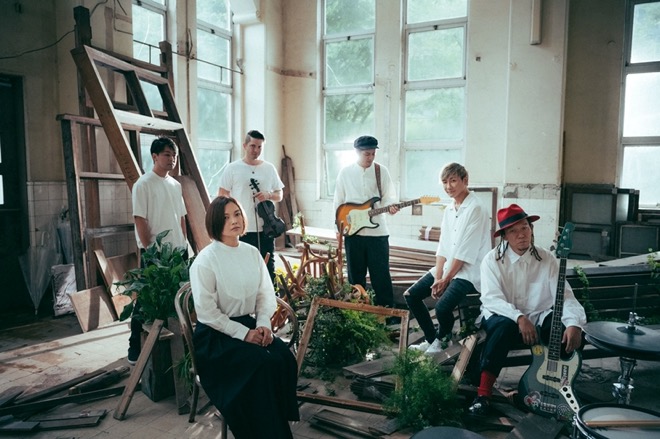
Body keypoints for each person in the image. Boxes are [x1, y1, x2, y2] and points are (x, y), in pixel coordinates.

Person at [190, 196, 299, 438]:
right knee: (260, 365)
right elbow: (207, 313)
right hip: (216, 336)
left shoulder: (251, 253)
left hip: (250, 324)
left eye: (237, 214)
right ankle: (260, 432)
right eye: (226, 217)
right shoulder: (205, 261)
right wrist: (243, 334)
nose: (234, 221)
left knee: (284, 358)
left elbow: (265, 294)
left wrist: (263, 324)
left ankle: (275, 423)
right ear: (214, 222)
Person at [468, 204, 586, 415]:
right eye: (513, 231)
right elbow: (492, 299)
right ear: (504, 236)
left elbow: (565, 295)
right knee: (503, 328)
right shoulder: (492, 260)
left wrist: (573, 323)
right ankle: (483, 394)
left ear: (531, 229)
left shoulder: (547, 258)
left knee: (566, 332)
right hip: (503, 315)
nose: (521, 235)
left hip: (538, 315)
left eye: (524, 228)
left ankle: (557, 387)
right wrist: (519, 317)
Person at [405, 163, 491, 355]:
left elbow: (465, 251)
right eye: (444, 182)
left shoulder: (476, 208)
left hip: (469, 271)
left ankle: (443, 341)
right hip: (449, 267)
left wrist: (445, 279)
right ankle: (432, 340)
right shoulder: (450, 209)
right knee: (412, 295)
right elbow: (443, 245)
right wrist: (438, 276)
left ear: (465, 180)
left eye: (453, 181)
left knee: (442, 308)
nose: (448, 186)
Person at [128, 136, 188, 364]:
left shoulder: (175, 185)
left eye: (174, 156)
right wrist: (150, 251)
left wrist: (184, 243)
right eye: (167, 155)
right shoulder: (143, 184)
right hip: (156, 254)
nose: (172, 159)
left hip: (177, 251)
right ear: (154, 156)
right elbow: (140, 220)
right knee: (146, 301)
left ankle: (173, 350)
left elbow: (181, 217)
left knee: (176, 301)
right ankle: (135, 348)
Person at [333, 135, 399, 309]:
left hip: (378, 233)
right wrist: (338, 227)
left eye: (373, 153)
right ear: (357, 152)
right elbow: (338, 201)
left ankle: (387, 313)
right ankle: (357, 312)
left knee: (381, 276)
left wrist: (391, 207)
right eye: (366, 154)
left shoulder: (381, 171)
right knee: (355, 277)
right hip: (353, 233)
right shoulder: (345, 173)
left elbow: (389, 197)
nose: (370, 157)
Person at [218, 130, 284, 280]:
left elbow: (279, 195)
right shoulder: (232, 168)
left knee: (268, 265)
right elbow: (222, 196)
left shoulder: (269, 168)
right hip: (242, 228)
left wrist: (268, 195)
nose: (256, 150)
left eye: (260, 147)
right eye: (253, 146)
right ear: (244, 146)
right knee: (242, 266)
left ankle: (270, 294)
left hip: (266, 227)